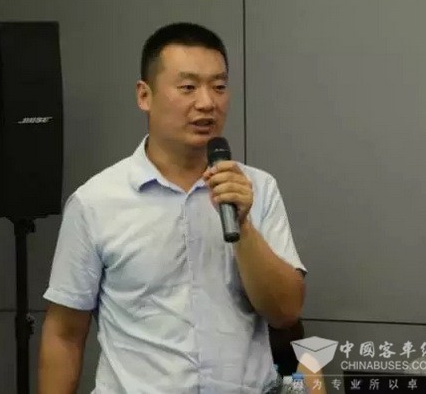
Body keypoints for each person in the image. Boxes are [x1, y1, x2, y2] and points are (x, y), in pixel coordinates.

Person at [38, 22, 307, 394]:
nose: (207, 103)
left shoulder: (257, 189)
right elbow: (65, 334)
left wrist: (243, 228)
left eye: (219, 86)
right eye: (188, 87)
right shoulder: (96, 202)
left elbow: (286, 312)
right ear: (144, 95)